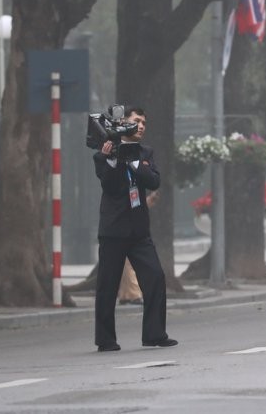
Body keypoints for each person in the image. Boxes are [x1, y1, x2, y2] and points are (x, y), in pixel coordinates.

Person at [93, 106, 177, 352]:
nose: (140, 126)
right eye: (136, 121)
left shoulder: (145, 152)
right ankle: (106, 339)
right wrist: (112, 159)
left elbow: (154, 181)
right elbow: (109, 187)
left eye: (144, 122)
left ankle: (154, 334)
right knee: (107, 286)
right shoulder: (104, 154)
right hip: (113, 229)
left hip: (139, 230)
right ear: (123, 124)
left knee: (155, 277)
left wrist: (134, 162)